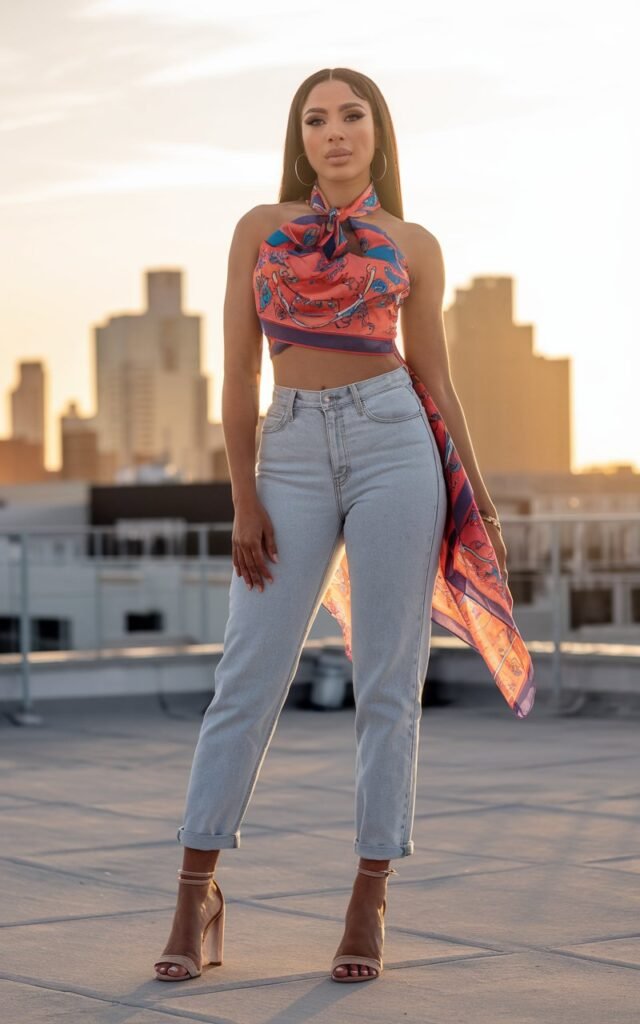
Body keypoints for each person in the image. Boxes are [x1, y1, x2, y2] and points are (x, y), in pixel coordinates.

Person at [154, 66, 535, 986]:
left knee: (388, 680)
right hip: (286, 450)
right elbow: (237, 372)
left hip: (396, 443)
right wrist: (242, 495)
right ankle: (194, 890)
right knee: (247, 676)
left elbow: (435, 379)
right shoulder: (259, 229)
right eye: (316, 119)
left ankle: (370, 892)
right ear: (301, 138)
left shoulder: (413, 243)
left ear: (378, 132)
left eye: (351, 116)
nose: (334, 132)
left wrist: (477, 498)